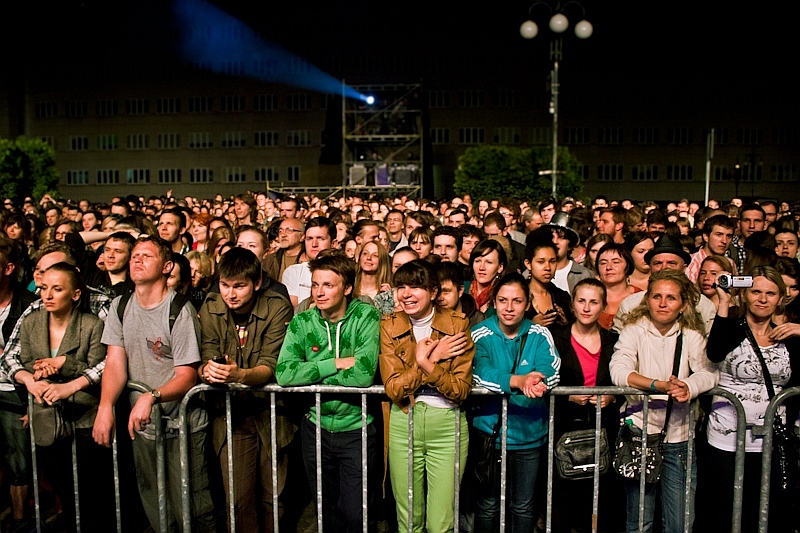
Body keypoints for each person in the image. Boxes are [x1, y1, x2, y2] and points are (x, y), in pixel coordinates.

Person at [92, 236, 216, 532]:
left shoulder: (179, 310)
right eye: (134, 255)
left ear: (167, 266)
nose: (137, 260)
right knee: (156, 507)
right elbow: (115, 362)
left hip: (181, 425)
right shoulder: (121, 306)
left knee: (192, 507)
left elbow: (188, 374)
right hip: (143, 426)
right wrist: (106, 406)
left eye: (146, 256)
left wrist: (152, 396)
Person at [276, 253, 380, 532]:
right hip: (316, 428)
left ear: (347, 288)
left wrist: (310, 370)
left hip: (356, 429)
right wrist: (333, 363)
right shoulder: (302, 322)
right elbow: (285, 373)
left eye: (328, 285)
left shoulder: (365, 315)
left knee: (356, 515)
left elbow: (363, 374)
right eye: (315, 285)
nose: (319, 293)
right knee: (325, 513)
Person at [6, 263, 114, 531]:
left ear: (75, 295)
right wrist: (30, 378)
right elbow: (20, 360)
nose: (48, 295)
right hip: (47, 417)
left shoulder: (91, 324)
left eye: (57, 289)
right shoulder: (31, 322)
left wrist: (63, 364)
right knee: (63, 486)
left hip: (84, 418)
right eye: (43, 288)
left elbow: (98, 365)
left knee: (92, 493)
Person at [609, 270, 718, 533]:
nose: (662, 303)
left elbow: (709, 372)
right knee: (639, 521)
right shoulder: (634, 331)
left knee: (679, 522)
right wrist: (658, 386)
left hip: (679, 437)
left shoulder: (690, 334)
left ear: (682, 305)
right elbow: (618, 369)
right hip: (640, 434)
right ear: (647, 300)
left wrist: (688, 386)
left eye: (671, 298)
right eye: (656, 296)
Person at [198, 247, 293, 533]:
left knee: (273, 499)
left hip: (271, 414)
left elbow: (272, 364)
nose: (231, 294)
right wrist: (207, 370)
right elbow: (207, 353)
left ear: (257, 283)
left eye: (239, 286)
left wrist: (239, 375)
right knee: (238, 502)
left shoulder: (277, 306)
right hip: (231, 416)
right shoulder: (211, 305)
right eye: (225, 285)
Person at [699, 266, 800, 532]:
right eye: (756, 291)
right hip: (727, 439)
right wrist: (724, 301)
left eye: (770, 293)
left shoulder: (788, 336)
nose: (762, 299)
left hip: (772, 440)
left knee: (766, 512)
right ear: (745, 295)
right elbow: (715, 352)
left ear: (781, 298)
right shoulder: (731, 329)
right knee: (725, 512)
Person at [380, 259, 473, 533]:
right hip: (403, 421)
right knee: (408, 520)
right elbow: (394, 388)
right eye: (401, 287)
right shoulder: (389, 325)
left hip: (447, 425)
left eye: (416, 286)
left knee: (440, 523)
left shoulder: (457, 324)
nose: (406, 293)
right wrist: (429, 358)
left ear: (433, 292)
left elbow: (460, 390)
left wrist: (426, 363)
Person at [470, 273, 560, 532]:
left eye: (517, 301)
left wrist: (536, 380)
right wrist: (519, 382)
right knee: (487, 505)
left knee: (522, 506)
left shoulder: (540, 334)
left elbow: (551, 369)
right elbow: (481, 372)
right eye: (503, 300)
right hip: (489, 436)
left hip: (529, 436)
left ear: (528, 303)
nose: (509, 308)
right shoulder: (480, 333)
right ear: (494, 303)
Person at [550, 278, 621, 533]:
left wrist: (613, 396)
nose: (587, 307)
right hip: (564, 428)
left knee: (600, 498)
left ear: (603, 306)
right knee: (563, 498)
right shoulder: (555, 338)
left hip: (603, 428)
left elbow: (624, 378)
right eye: (581, 301)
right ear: (572, 305)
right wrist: (566, 396)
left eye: (593, 302)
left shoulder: (615, 340)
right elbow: (542, 380)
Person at [524, 236, 573, 329]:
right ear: (528, 264)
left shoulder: (562, 298)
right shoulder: (517, 296)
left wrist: (565, 324)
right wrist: (530, 327)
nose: (548, 268)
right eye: (541, 262)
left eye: (552, 261)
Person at [595, 242, 641, 330]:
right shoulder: (589, 296)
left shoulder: (639, 298)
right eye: (603, 263)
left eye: (616, 262)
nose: (609, 267)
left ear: (627, 266)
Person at [468, 240, 507, 314]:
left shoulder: (504, 295)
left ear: (500, 267)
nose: (481, 267)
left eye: (489, 262)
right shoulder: (463, 289)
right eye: (477, 261)